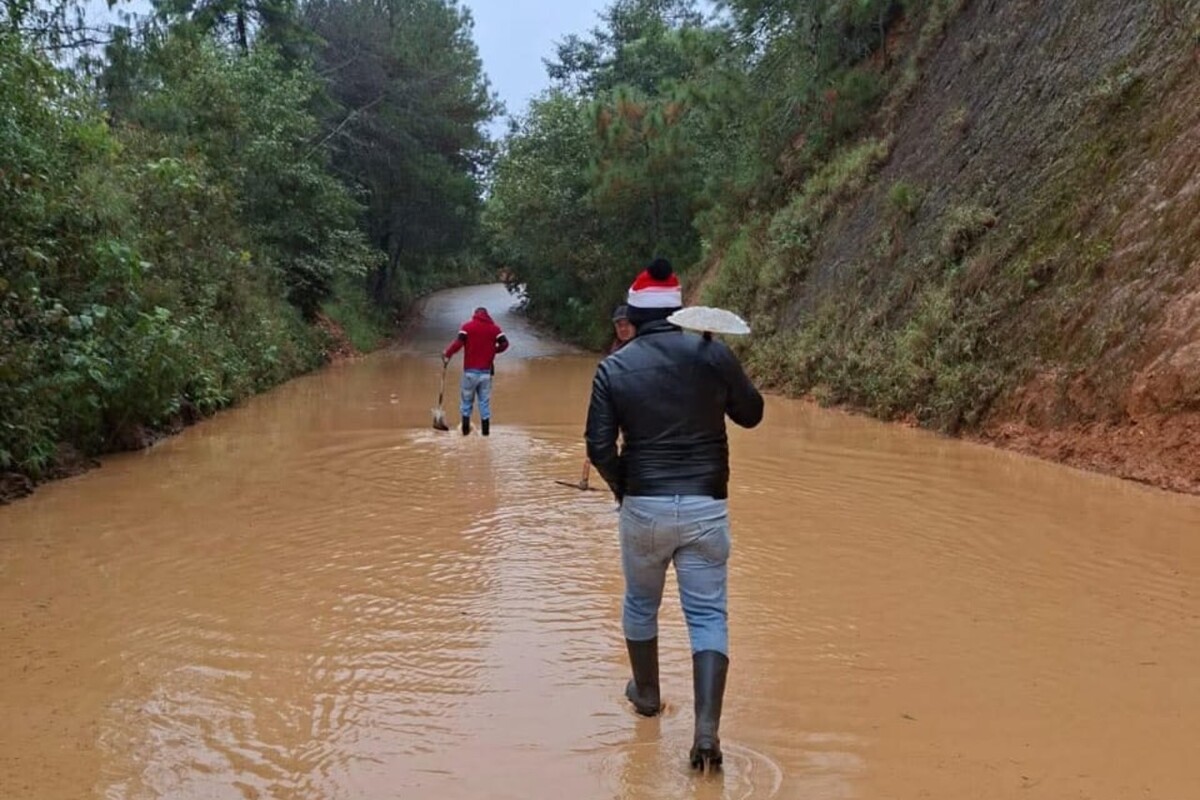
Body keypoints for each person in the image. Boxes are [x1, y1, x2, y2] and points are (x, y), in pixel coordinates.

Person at [584, 257, 764, 773]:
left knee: (641, 603)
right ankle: (706, 733)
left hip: (644, 504)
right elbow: (751, 414)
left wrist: (626, 488)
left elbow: (599, 446)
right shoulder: (712, 353)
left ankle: (646, 695)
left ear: (634, 317)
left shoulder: (614, 367)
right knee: (708, 616)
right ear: (680, 310)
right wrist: (719, 363)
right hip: (707, 505)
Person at [573, 305, 636, 489]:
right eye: (619, 325)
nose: (623, 329)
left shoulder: (640, 348)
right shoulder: (616, 348)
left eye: (626, 324)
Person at [443, 306, 509, 436]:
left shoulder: (467, 327)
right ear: (487, 315)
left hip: (470, 372)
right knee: (484, 404)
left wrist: (447, 354)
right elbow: (505, 344)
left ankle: (465, 433)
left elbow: (458, 344)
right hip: (486, 373)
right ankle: (485, 435)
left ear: (475, 315)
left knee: (466, 403)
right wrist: (493, 351)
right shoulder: (495, 329)